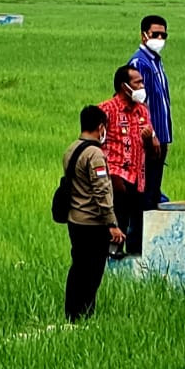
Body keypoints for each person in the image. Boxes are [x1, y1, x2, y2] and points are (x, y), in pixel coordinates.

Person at [63, 104, 125, 322]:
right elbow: (102, 191)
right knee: (92, 272)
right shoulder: (95, 154)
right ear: (101, 127)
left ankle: (71, 313)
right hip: (93, 223)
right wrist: (112, 223)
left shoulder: (71, 150)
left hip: (74, 220)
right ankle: (85, 314)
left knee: (78, 268)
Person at [98, 64, 159, 256]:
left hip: (137, 178)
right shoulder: (106, 110)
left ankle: (135, 262)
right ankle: (111, 257)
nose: (142, 86)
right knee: (117, 220)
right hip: (115, 176)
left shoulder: (142, 111)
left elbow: (153, 152)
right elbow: (94, 146)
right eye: (138, 82)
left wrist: (150, 139)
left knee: (138, 224)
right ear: (125, 86)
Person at [129, 15, 172, 211]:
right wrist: (152, 134)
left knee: (154, 192)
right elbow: (140, 104)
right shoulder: (140, 63)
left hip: (160, 138)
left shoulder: (156, 62)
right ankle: (139, 238)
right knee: (145, 195)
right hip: (149, 140)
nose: (160, 38)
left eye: (163, 35)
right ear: (144, 35)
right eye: (156, 34)